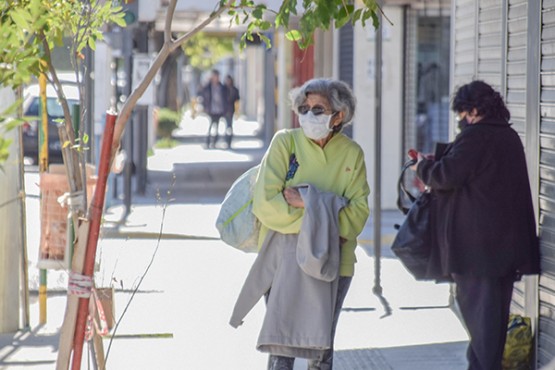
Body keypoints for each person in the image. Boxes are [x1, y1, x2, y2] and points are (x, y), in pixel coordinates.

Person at [412, 80, 540, 370]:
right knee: (490, 326)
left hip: (478, 253)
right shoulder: (508, 136)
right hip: (505, 251)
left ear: (473, 109)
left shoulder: (477, 136)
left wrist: (422, 166)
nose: (462, 121)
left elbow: (445, 176)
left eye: (463, 114)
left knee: (483, 328)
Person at [248, 78, 370, 370]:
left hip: (334, 264)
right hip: (282, 261)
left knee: (321, 349)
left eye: (318, 109)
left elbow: (358, 215)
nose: (309, 115)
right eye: (304, 108)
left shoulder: (352, 153)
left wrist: (307, 201)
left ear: (338, 115)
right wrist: (327, 213)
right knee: (282, 348)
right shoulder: (285, 142)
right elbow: (266, 205)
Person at [200, 69, 227, 148]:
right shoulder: (208, 86)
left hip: (219, 109)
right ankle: (208, 142)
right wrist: (204, 107)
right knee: (210, 126)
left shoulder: (222, 87)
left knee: (217, 126)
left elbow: (225, 97)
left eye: (217, 76)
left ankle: (214, 142)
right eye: (215, 76)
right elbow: (204, 97)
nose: (216, 78)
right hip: (211, 109)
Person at [224, 75, 240, 148]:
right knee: (227, 125)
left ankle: (229, 141)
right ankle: (226, 140)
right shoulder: (223, 89)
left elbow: (237, 100)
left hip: (231, 110)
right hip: (225, 110)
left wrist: (237, 112)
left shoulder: (234, 89)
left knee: (229, 126)